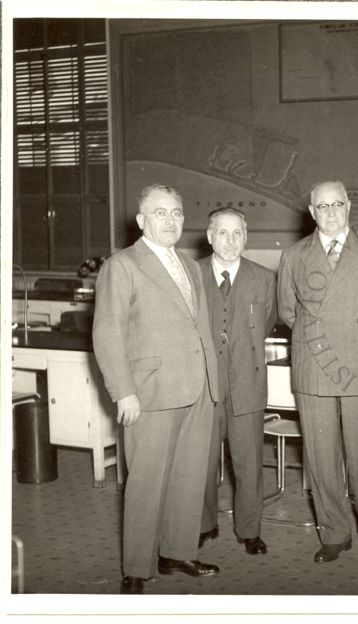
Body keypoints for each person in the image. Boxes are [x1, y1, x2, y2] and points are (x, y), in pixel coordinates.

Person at [92, 184, 220, 594]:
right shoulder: (122, 264)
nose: (171, 221)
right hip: (150, 391)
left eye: (177, 213)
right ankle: (136, 567)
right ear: (141, 220)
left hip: (197, 386)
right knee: (146, 481)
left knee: (189, 476)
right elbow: (107, 333)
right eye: (160, 213)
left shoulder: (190, 263)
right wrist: (123, 391)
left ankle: (176, 552)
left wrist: (211, 381)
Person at [277, 180, 358, 563]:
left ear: (349, 207)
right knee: (321, 458)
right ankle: (334, 533)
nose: (330, 212)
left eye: (337, 204)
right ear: (311, 212)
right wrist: (317, 341)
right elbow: (287, 310)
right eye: (322, 206)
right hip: (315, 369)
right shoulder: (295, 255)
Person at [198, 207, 277, 556]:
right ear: (210, 236)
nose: (230, 241)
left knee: (248, 463)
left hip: (247, 384)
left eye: (237, 234)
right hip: (204, 386)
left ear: (246, 237)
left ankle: (250, 530)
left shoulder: (264, 278)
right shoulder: (192, 274)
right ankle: (203, 524)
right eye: (223, 233)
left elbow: (269, 321)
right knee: (200, 460)